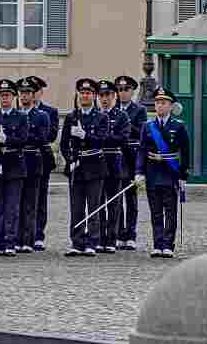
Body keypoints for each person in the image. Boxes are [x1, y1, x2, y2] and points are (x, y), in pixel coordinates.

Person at [134, 88, 190, 258]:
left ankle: (168, 244)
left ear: (171, 106)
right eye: (157, 102)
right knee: (156, 211)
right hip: (152, 172)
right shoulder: (147, 126)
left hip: (170, 172)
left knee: (170, 211)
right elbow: (142, 150)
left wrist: (183, 175)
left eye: (164, 102)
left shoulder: (178, 126)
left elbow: (185, 152)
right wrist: (139, 171)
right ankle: (158, 243)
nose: (160, 105)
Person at [61, 78, 111, 257]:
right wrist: (69, 159)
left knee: (94, 207)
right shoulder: (71, 117)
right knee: (76, 207)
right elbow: (64, 144)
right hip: (77, 167)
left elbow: (102, 139)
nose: (85, 96)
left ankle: (92, 242)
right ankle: (77, 241)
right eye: (82, 93)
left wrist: (86, 135)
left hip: (95, 166)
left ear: (94, 96)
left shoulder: (102, 117)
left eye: (88, 93)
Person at [0, 79, 28, 256]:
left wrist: (7, 140)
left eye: (8, 95)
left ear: (13, 97)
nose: (5, 98)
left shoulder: (21, 117)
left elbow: (23, 140)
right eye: (2, 95)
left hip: (14, 166)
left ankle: (10, 241)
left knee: (12, 207)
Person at [16, 78, 51, 253]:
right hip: (16, 161)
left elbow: (43, 137)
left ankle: (34, 236)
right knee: (17, 202)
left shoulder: (44, 114)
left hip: (36, 160)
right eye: (22, 93)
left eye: (29, 92)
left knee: (35, 201)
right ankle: (18, 236)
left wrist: (18, 138)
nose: (25, 96)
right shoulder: (14, 113)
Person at [96, 80, 130, 253]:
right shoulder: (94, 114)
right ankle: (99, 237)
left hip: (114, 161)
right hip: (96, 162)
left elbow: (122, 138)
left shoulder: (121, 116)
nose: (104, 99)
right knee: (98, 203)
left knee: (113, 203)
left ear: (114, 96)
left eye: (108, 95)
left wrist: (101, 137)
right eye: (101, 95)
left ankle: (112, 238)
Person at [28, 75, 60, 251]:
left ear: (40, 92)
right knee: (24, 199)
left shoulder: (50, 112)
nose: (31, 95)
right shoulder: (20, 110)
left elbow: (51, 135)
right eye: (28, 91)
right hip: (22, 158)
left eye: (35, 91)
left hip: (42, 158)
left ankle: (38, 234)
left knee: (40, 198)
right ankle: (25, 233)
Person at [115, 75, 146, 250]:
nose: (122, 93)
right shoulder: (114, 108)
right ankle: (120, 233)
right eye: (119, 90)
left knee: (131, 199)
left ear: (132, 91)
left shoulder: (139, 110)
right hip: (118, 159)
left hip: (132, 157)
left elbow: (141, 132)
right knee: (117, 197)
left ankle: (131, 234)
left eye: (126, 90)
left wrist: (126, 123)